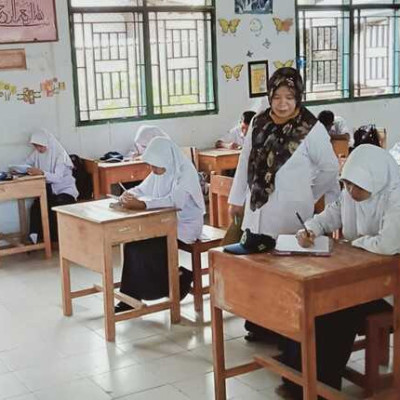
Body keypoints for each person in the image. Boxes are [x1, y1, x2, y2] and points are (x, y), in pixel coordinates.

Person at [227, 67, 339, 342]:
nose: (282, 103)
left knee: (287, 272)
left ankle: (287, 331)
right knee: (259, 267)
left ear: (298, 96)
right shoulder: (259, 122)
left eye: (289, 96)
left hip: (292, 212)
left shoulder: (310, 128)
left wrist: (308, 194)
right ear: (269, 95)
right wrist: (236, 200)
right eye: (277, 96)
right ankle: (260, 324)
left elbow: (329, 168)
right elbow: (245, 162)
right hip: (258, 207)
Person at [283, 144, 400, 398]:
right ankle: (299, 380)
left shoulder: (396, 196)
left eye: (358, 187)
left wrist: (353, 243)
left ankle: (323, 386)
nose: (351, 191)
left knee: (335, 311)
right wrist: (311, 229)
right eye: (347, 184)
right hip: (357, 276)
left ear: (376, 180)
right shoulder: (350, 193)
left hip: (390, 287)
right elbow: (329, 216)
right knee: (312, 303)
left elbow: (388, 245)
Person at [115, 137, 205, 313]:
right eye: (151, 165)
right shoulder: (159, 170)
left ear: (167, 159)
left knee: (148, 248)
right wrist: (127, 195)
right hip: (163, 222)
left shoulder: (185, 172)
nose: (152, 170)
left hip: (185, 225)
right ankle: (129, 297)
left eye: (155, 166)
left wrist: (142, 205)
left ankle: (179, 281)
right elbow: (142, 189)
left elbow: (175, 202)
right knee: (132, 245)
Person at [25, 129, 78, 243]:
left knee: (58, 204)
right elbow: (27, 163)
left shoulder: (60, 155)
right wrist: (23, 169)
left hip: (65, 190)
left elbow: (57, 178)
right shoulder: (37, 153)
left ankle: (59, 239)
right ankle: (34, 236)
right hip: (49, 190)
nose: (38, 149)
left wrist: (41, 173)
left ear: (47, 143)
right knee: (36, 206)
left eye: (40, 146)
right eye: (36, 146)